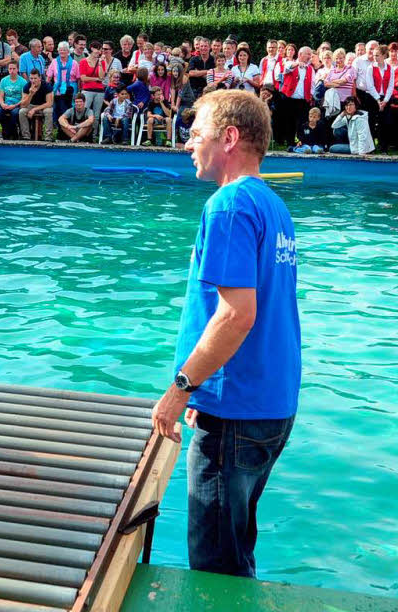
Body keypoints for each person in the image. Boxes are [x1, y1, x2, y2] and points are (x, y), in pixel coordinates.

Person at [151, 88, 299, 579]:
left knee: (216, 566)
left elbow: (236, 316)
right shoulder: (271, 204)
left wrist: (181, 388)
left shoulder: (229, 205)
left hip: (237, 413)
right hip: (268, 403)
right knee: (236, 548)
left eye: (196, 134)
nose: (187, 144)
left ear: (229, 138)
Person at [18, 70, 53, 141]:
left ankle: (48, 137)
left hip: (43, 106)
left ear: (40, 78)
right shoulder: (26, 86)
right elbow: (23, 105)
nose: (33, 81)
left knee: (49, 111)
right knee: (22, 111)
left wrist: (34, 109)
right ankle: (26, 136)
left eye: (35, 78)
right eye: (31, 78)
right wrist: (31, 94)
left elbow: (49, 103)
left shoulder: (46, 86)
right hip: (31, 105)